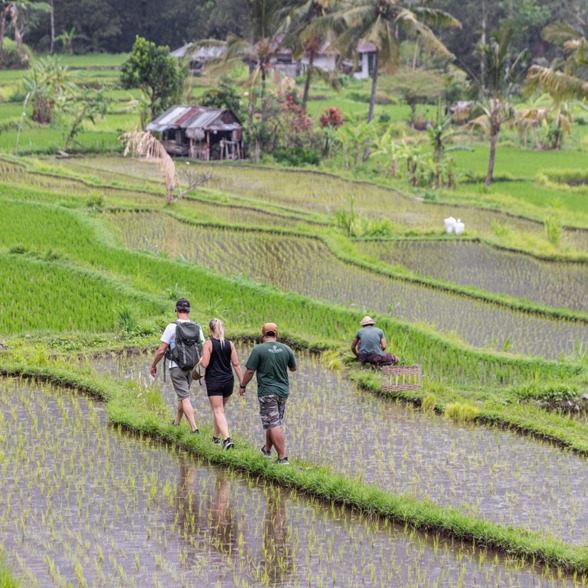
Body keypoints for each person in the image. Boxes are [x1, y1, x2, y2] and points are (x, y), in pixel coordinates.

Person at [239, 322, 296, 465]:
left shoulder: (259, 350)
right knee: (273, 421)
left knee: (273, 423)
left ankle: (283, 458)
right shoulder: (286, 349)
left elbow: (250, 371)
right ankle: (267, 449)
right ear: (276, 334)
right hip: (283, 391)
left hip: (267, 392)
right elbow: (294, 368)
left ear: (262, 334)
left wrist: (242, 385)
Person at [150, 298, 204, 434]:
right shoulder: (197, 327)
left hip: (176, 367)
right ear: (189, 311)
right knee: (183, 394)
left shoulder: (171, 327)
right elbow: (203, 347)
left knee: (185, 397)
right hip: (192, 368)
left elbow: (161, 350)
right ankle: (177, 422)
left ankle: (194, 428)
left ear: (177, 310)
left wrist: (153, 365)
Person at [198, 318, 243, 450]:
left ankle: (227, 439)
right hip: (228, 381)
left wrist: (200, 359)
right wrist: (242, 383)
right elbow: (236, 364)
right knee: (220, 410)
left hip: (214, 381)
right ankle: (215, 438)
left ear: (210, 330)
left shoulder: (208, 344)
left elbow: (204, 364)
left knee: (218, 410)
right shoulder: (230, 344)